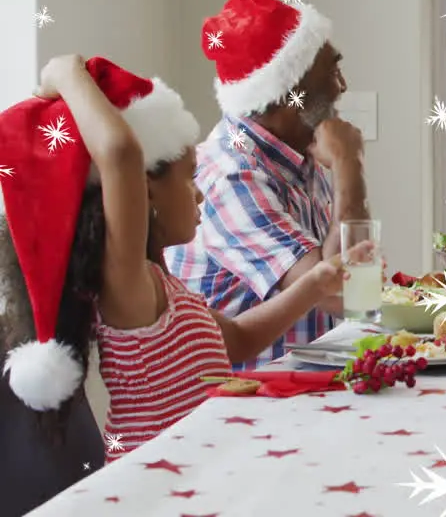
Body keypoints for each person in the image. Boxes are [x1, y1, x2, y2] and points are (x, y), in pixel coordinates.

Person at [0, 56, 348, 510]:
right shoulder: (129, 293)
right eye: (189, 180)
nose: (200, 192)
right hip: (154, 494)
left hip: (200, 476)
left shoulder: (164, 286)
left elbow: (238, 339)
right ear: (144, 194)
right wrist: (66, 74)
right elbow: (121, 156)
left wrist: (316, 283)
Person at [167, 0, 370, 369]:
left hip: (306, 391)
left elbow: (358, 287)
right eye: (332, 71)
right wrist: (349, 164)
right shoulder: (231, 177)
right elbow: (347, 292)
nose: (342, 86)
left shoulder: (298, 152)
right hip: (244, 408)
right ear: (291, 91)